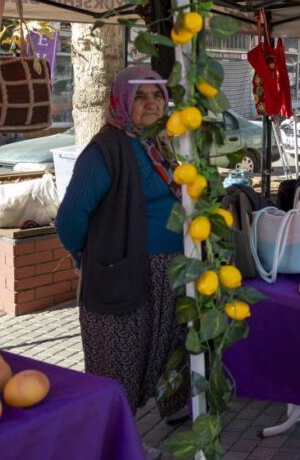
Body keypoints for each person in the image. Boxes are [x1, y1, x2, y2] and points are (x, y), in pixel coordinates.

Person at [56, 66, 189, 437]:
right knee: (119, 355)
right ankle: (109, 432)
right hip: (125, 269)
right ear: (121, 101)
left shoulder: (158, 143)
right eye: (140, 96)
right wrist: (88, 260)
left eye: (157, 95)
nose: (151, 103)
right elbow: (69, 219)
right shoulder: (106, 149)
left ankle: (175, 410)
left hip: (170, 269)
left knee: (170, 346)